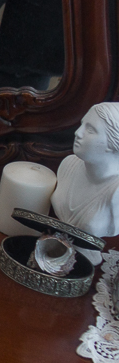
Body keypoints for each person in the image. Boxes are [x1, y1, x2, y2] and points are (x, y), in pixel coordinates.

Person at [51, 103, 119, 264]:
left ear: (113, 142)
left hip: (85, 261)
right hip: (51, 248)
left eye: (90, 130)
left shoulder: (116, 192)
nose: (77, 133)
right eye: (82, 125)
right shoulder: (69, 164)